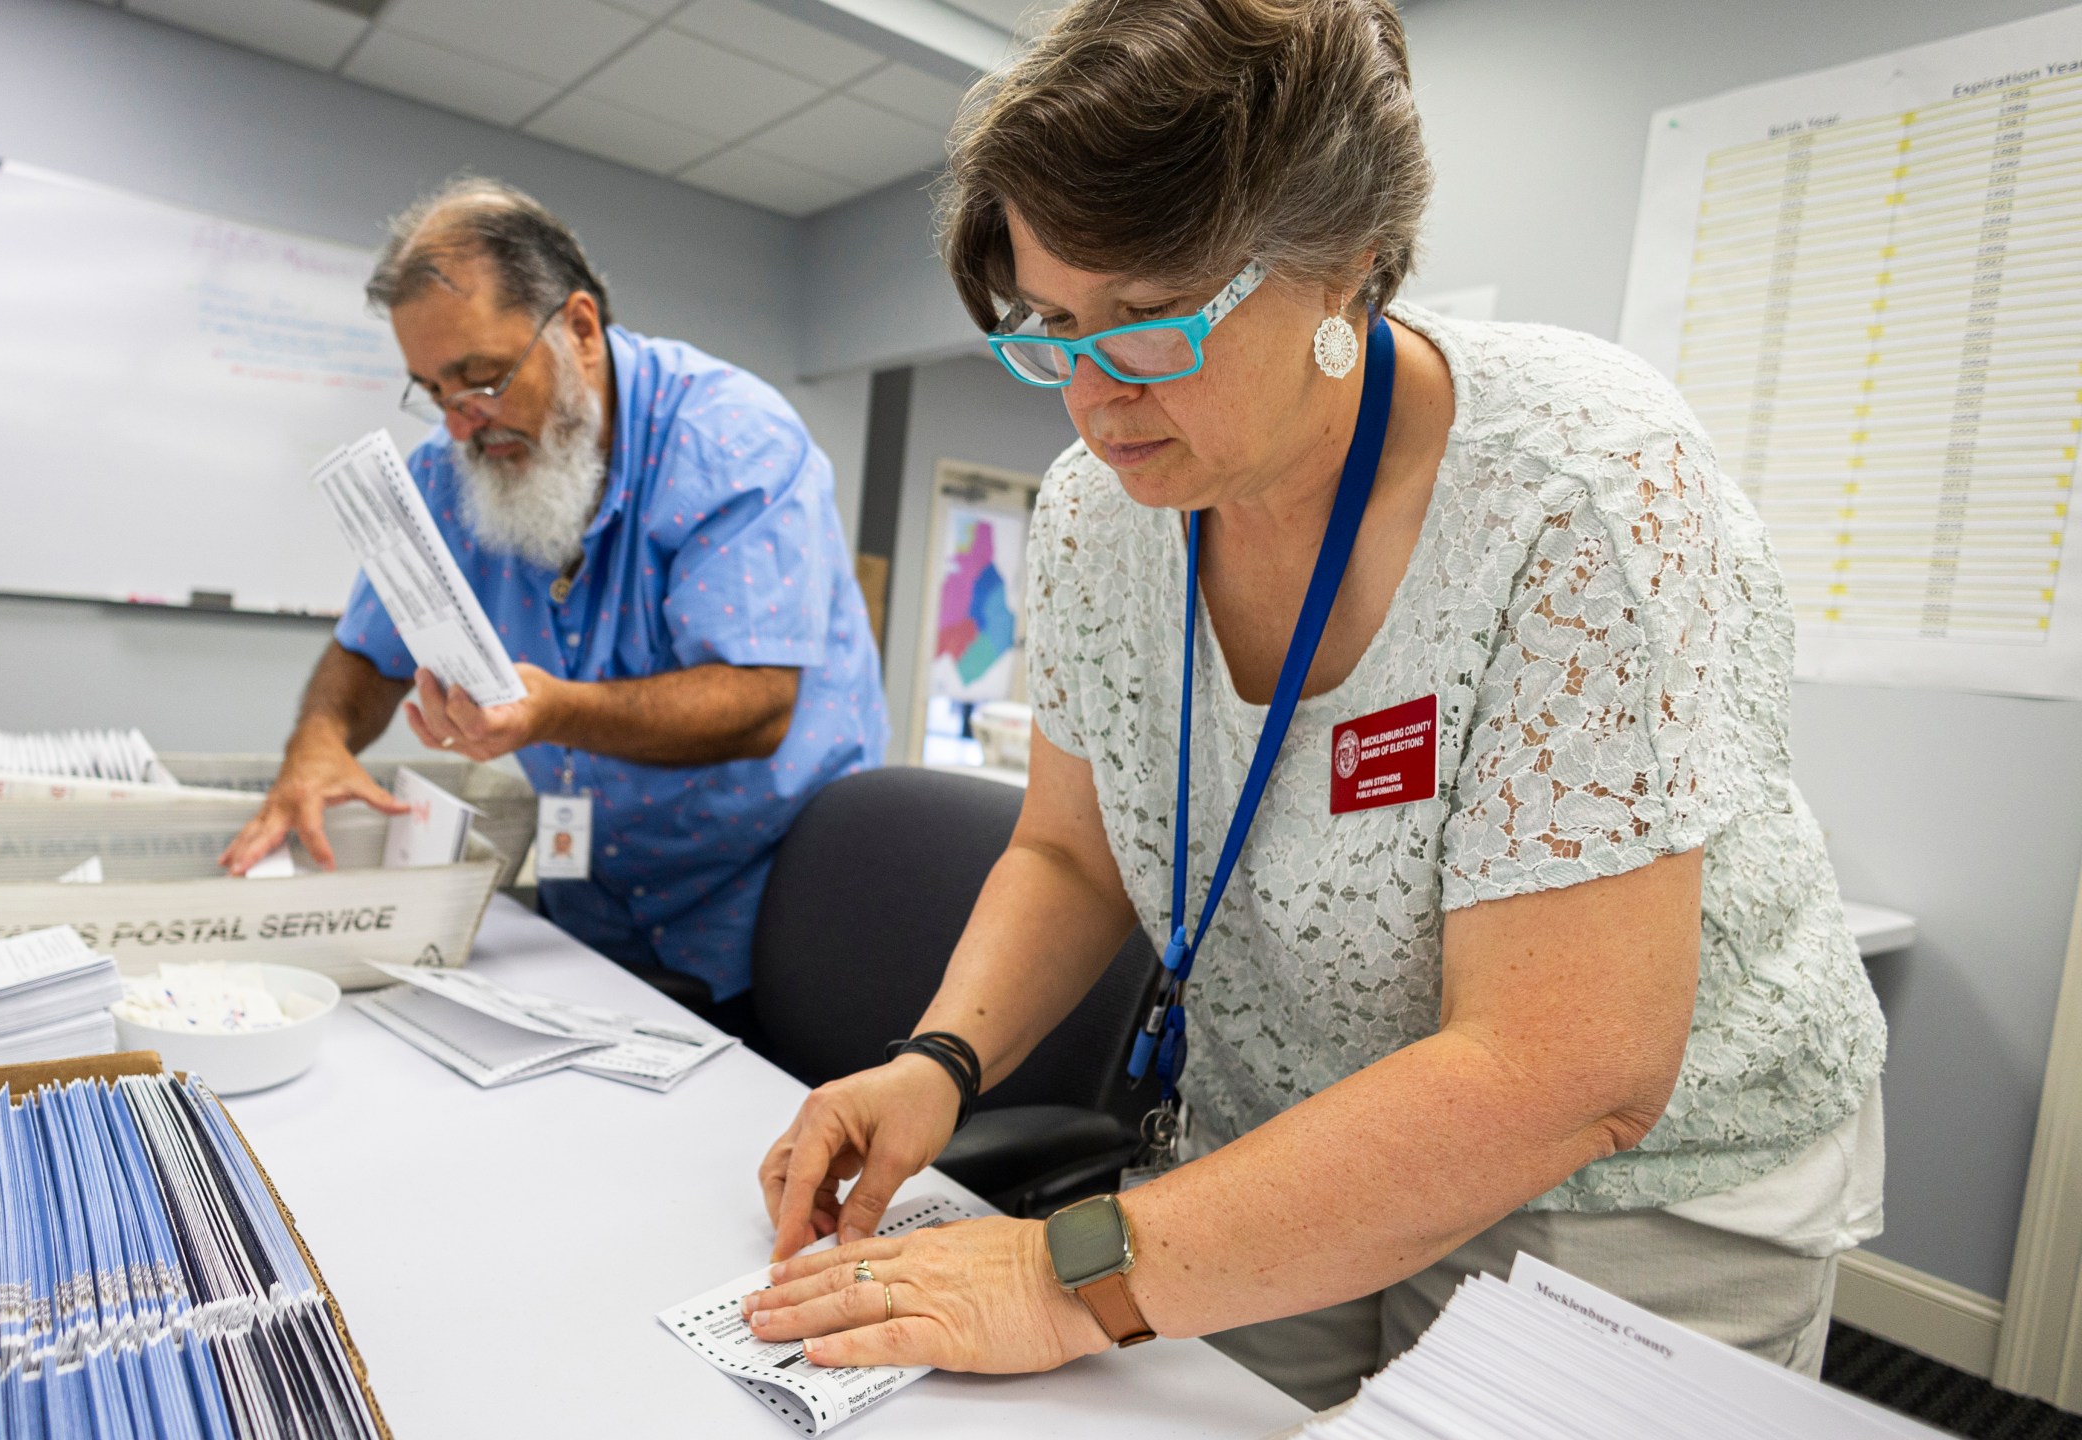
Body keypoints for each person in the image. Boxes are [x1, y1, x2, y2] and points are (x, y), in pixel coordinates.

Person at [744, 0, 1885, 1407]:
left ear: (1346, 271)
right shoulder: (1101, 515)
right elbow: (1067, 849)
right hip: (1280, 1131)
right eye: (1055, 325)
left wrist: (1061, 1275)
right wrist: (940, 1061)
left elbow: (1566, 1067)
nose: (1091, 403)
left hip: (1627, 1189)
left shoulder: (1582, 487)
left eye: (1151, 325)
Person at [221, 179, 887, 1031]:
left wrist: (552, 712)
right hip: (592, 902)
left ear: (578, 328)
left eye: (483, 379)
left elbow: (754, 705)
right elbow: (365, 653)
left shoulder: (732, 441)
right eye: (433, 392)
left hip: (769, 902)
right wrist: (317, 745)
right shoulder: (444, 471)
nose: (462, 425)